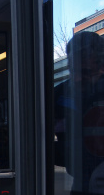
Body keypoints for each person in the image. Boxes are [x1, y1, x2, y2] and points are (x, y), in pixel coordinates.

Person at [54, 32, 104, 195]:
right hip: (79, 182)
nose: (76, 79)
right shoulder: (59, 94)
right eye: (72, 70)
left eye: (85, 72)